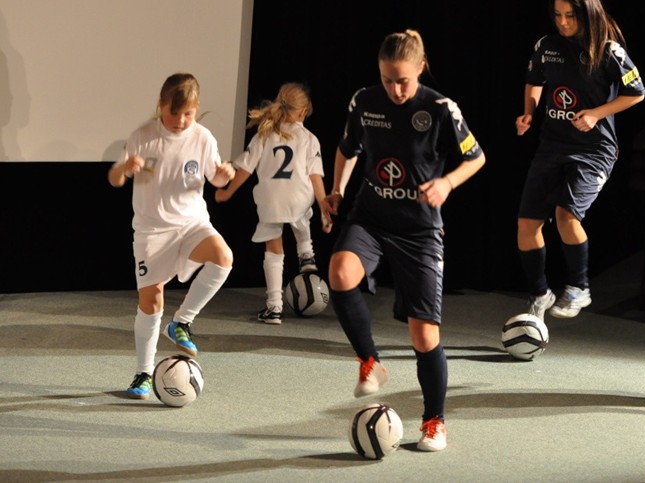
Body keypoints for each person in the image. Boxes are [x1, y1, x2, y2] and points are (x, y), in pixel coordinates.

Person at [326, 29, 485, 452]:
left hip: (419, 230)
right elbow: (347, 147)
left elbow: (476, 157)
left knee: (424, 337)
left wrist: (447, 183)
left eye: (403, 81)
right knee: (339, 272)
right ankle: (370, 362)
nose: (395, 90)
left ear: (420, 68)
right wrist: (337, 188)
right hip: (371, 218)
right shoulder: (365, 101)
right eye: (387, 80)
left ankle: (434, 422)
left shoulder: (440, 108)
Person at [515, 0, 645, 320]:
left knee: (566, 215)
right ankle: (539, 293)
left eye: (570, 16)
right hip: (552, 145)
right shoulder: (547, 45)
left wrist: (596, 113)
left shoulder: (608, 51)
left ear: (587, 13)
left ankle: (579, 287)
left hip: (593, 150)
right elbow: (534, 80)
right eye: (557, 15)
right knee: (527, 224)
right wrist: (529, 112)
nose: (562, 22)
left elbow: (636, 93)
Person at [108, 73, 235, 400]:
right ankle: (143, 372)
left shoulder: (203, 138)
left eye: (188, 114)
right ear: (161, 106)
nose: (180, 120)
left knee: (223, 258)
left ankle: (181, 322)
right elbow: (114, 178)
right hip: (152, 231)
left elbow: (217, 178)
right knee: (152, 302)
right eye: (173, 112)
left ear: (196, 109)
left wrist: (225, 175)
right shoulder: (143, 136)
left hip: (192, 223)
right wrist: (124, 169)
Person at [215, 82, 332, 324]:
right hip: (299, 198)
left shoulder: (264, 134)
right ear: (303, 112)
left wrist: (227, 192)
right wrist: (324, 207)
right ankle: (306, 254)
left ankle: (274, 307)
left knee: (274, 250)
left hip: (270, 201)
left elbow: (245, 169)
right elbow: (315, 176)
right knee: (301, 207)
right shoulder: (310, 139)